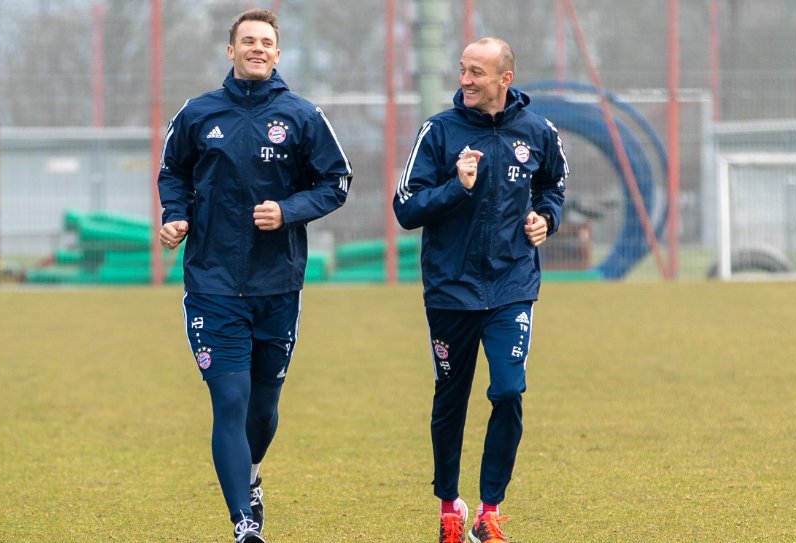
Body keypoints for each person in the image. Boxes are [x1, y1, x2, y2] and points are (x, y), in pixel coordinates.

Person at [157, 9, 352, 543]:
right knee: (231, 401)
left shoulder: (302, 116)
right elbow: (172, 171)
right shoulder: (199, 114)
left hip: (277, 287)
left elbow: (337, 182)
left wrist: (288, 211)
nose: (257, 48)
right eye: (248, 41)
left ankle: (251, 477)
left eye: (266, 42)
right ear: (231, 50)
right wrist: (175, 215)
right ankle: (244, 524)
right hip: (213, 285)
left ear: (278, 53)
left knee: (263, 411)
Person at [394, 37, 569, 543]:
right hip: (450, 290)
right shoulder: (439, 132)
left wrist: (546, 219)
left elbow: (552, 187)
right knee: (451, 398)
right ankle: (450, 507)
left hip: (512, 285)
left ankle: (489, 512)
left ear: (504, 79)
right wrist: (457, 186)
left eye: (476, 72)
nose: (465, 80)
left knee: (509, 391)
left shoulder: (538, 132)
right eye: (462, 70)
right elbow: (406, 208)